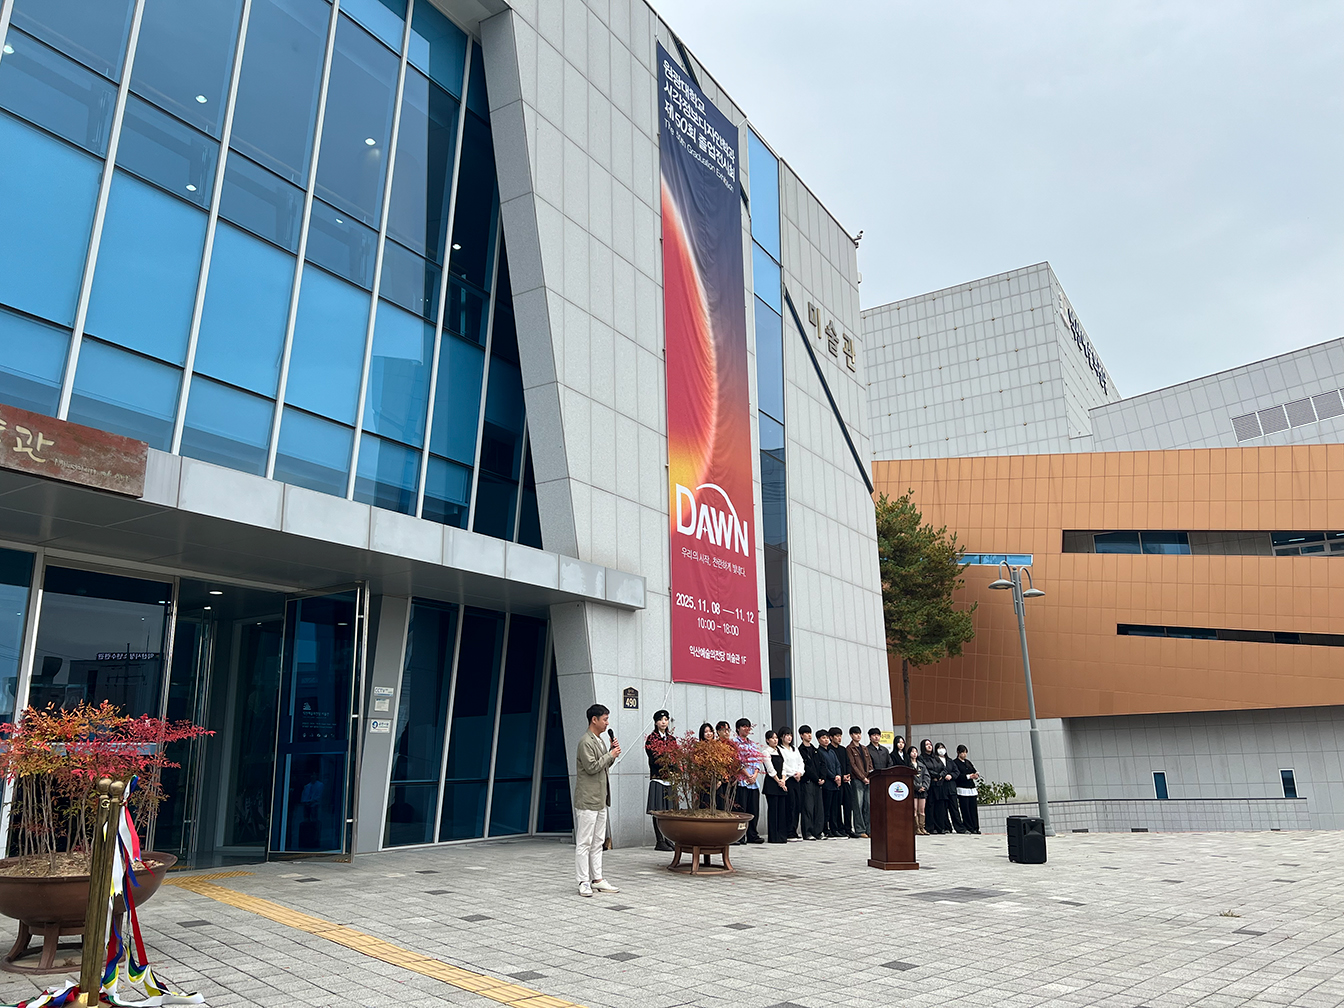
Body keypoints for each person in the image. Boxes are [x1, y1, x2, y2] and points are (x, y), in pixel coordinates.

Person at [574, 704, 620, 897]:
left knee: (598, 841)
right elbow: (592, 767)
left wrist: (611, 753)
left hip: (601, 799)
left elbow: (604, 765)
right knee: (584, 842)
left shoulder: (599, 740)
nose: (607, 723)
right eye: (605, 719)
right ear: (594, 719)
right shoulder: (585, 742)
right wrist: (610, 755)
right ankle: (583, 881)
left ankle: (597, 879)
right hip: (588, 799)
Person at [732, 718, 765, 843]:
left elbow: (757, 761)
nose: (747, 729)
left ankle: (753, 834)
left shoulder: (752, 744)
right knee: (742, 810)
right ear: (738, 729)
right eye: (744, 726)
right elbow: (737, 762)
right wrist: (747, 775)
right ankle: (740, 836)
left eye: (748, 726)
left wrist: (755, 775)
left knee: (753, 809)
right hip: (742, 781)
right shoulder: (735, 743)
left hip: (753, 782)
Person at [645, 710, 674, 852]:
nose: (663, 722)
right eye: (661, 719)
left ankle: (668, 838)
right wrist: (666, 765)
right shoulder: (651, 739)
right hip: (658, 777)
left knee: (669, 810)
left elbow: (675, 756)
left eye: (666, 719)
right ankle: (659, 840)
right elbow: (653, 758)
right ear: (656, 722)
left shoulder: (671, 739)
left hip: (670, 779)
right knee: (657, 810)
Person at [796, 725, 825, 841]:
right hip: (808, 782)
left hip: (818, 783)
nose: (809, 735)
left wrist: (822, 777)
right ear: (801, 735)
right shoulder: (800, 750)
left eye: (810, 733)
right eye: (806, 733)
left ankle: (818, 832)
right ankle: (807, 832)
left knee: (819, 808)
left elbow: (823, 764)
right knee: (808, 807)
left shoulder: (815, 750)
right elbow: (806, 767)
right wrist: (816, 778)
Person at [924, 740, 958, 834]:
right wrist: (937, 775)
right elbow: (927, 770)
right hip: (931, 785)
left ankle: (941, 827)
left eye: (930, 744)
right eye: (927, 745)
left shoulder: (936, 758)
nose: (929, 746)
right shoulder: (922, 758)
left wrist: (941, 775)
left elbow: (944, 769)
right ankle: (931, 827)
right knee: (931, 807)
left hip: (940, 785)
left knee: (941, 807)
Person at [762, 730, 789, 843]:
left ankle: (782, 835)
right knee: (773, 810)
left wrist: (783, 779)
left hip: (781, 783)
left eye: (776, 738)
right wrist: (778, 781)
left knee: (782, 810)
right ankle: (774, 836)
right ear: (767, 740)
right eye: (772, 738)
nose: (775, 740)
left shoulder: (779, 751)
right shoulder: (766, 752)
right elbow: (770, 769)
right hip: (772, 784)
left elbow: (784, 766)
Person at [846, 726, 873, 839]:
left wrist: (870, 775)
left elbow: (870, 763)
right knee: (858, 805)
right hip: (857, 780)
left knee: (868, 805)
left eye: (859, 734)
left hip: (868, 779)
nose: (858, 736)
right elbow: (853, 765)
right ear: (851, 735)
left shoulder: (864, 748)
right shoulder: (849, 748)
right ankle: (860, 829)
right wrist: (862, 777)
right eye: (856, 734)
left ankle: (869, 829)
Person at [829, 728, 856, 837]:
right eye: (836, 736)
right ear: (831, 737)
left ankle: (848, 828)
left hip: (845, 781)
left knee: (848, 805)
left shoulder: (843, 749)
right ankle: (838, 828)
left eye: (840, 736)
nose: (839, 738)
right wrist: (840, 776)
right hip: (835, 782)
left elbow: (848, 763)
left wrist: (847, 774)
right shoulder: (829, 750)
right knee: (836, 807)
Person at [779, 727, 804, 839]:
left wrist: (800, 773)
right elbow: (783, 764)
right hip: (788, 779)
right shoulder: (780, 749)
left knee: (797, 805)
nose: (789, 737)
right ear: (781, 737)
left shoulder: (795, 749)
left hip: (797, 779)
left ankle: (794, 829)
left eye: (790, 735)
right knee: (790, 805)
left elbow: (801, 762)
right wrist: (794, 773)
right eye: (787, 735)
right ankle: (788, 831)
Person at [818, 729, 843, 837]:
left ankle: (834, 828)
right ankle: (825, 829)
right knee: (826, 808)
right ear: (818, 740)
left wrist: (839, 775)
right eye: (823, 738)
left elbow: (838, 765)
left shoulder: (831, 751)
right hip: (827, 784)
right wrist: (834, 777)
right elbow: (824, 768)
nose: (826, 740)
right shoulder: (819, 752)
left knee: (835, 808)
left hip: (835, 784)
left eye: (827, 738)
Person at [955, 744, 982, 834]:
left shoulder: (968, 762)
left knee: (973, 809)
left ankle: (975, 827)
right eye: (962, 752)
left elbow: (974, 770)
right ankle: (968, 826)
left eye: (965, 752)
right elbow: (958, 775)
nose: (964, 754)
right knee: (965, 809)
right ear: (958, 753)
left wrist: (976, 774)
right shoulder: (955, 763)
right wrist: (968, 776)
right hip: (962, 788)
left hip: (971, 788)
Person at [909, 744, 930, 834]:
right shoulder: (908, 765)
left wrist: (924, 786)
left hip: (922, 791)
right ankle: (916, 828)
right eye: (912, 752)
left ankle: (922, 827)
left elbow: (927, 777)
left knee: (922, 809)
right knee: (914, 809)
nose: (914, 753)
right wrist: (917, 787)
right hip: (914, 790)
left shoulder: (922, 765)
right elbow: (909, 778)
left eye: (916, 752)